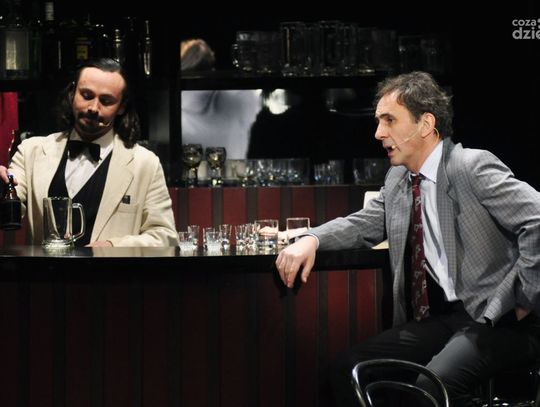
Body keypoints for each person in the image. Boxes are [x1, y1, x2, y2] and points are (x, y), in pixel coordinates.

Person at [275, 71, 540, 406]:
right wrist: (310, 239)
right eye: (378, 121)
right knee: (350, 369)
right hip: (447, 319)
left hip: (501, 319)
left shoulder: (469, 166)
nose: (378, 133)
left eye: (389, 120)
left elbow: (537, 219)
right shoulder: (399, 179)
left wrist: (524, 298)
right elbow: (363, 224)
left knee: (432, 387)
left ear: (425, 124)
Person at [0, 58, 178, 247]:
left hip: (110, 267)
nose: (93, 108)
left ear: (122, 107)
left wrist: (113, 247)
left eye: (106, 101)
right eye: (86, 96)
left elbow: (165, 237)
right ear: (72, 93)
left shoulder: (145, 164)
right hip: (45, 267)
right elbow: (10, 206)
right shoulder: (31, 151)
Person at [181, 38, 261, 159]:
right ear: (212, 70)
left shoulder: (168, 106)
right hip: (235, 170)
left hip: (189, 170)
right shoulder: (239, 97)